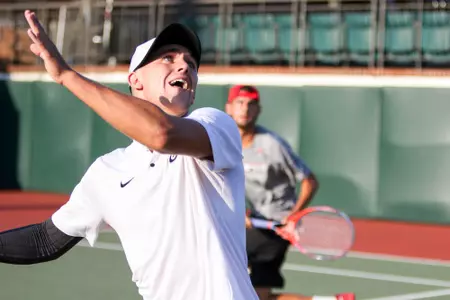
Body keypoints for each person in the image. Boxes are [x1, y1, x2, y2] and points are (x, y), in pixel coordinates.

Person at [0, 10, 259, 300]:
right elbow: (45, 240)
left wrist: (66, 76)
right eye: (168, 58)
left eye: (190, 63)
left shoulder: (215, 124)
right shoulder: (107, 170)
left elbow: (160, 134)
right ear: (136, 80)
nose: (184, 67)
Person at [225, 85, 355, 300]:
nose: (245, 109)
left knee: (233, 272)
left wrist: (294, 215)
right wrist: (241, 210)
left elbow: (310, 181)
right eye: (239, 103)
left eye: (251, 104)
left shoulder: (272, 145)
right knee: (257, 293)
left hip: (277, 226)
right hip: (257, 222)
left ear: (259, 110)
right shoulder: (228, 142)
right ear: (228, 108)